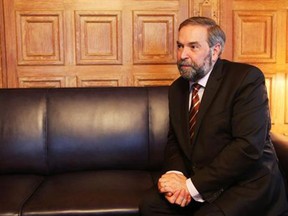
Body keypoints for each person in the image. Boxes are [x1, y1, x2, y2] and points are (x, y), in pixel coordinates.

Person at [139, 16, 288, 216]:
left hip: (244, 185)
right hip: (201, 182)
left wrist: (191, 186)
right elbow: (175, 141)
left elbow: (247, 146)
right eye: (180, 46)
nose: (183, 54)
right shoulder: (177, 89)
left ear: (215, 50)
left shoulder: (246, 79)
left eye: (193, 47)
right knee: (150, 205)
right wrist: (175, 176)